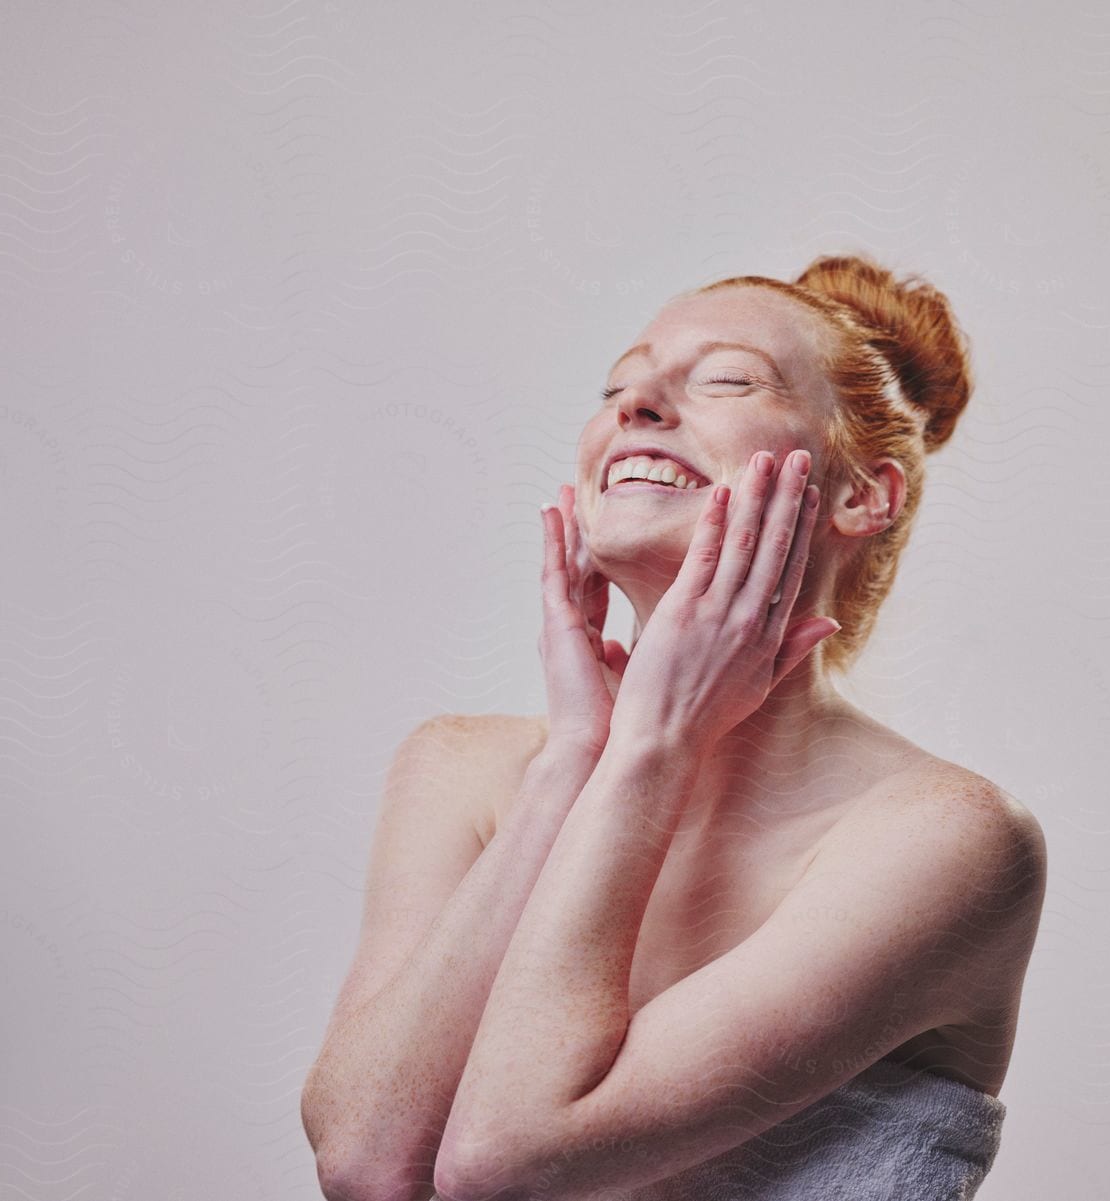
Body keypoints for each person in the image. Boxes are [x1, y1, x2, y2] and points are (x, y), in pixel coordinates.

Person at [302, 253, 1048, 1201]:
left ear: (864, 493)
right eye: (618, 383)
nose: (637, 402)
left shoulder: (946, 839)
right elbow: (365, 1165)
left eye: (728, 378)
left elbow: (506, 1160)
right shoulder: (457, 769)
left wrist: (652, 746)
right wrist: (577, 759)